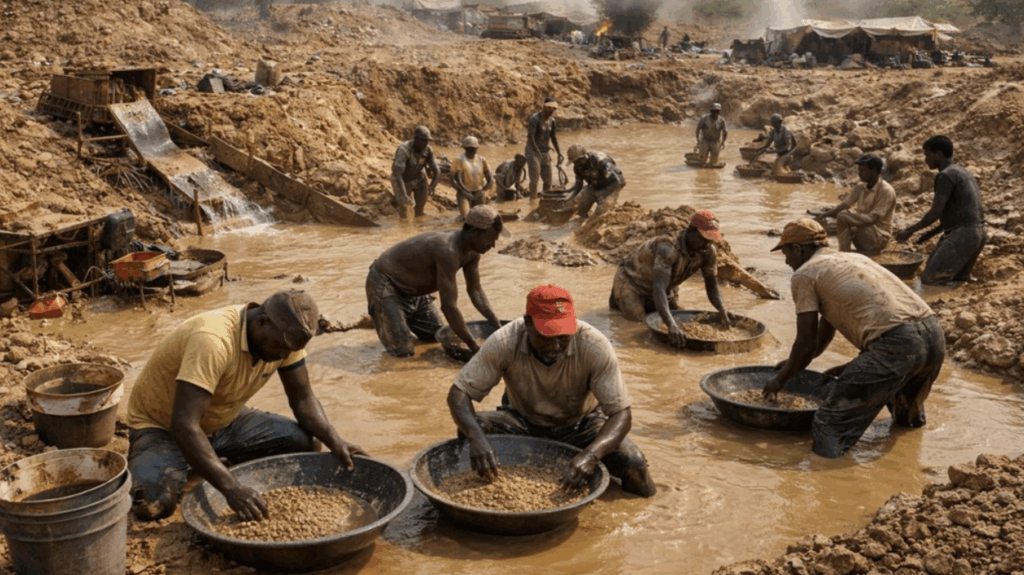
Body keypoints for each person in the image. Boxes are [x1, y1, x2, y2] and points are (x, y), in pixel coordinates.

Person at [126, 290, 367, 521]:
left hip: (223, 419)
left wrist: (336, 441)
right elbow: (183, 425)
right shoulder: (213, 341)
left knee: (308, 443)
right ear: (262, 322)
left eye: (291, 350)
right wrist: (232, 488)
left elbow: (303, 399)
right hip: (163, 426)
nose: (284, 355)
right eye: (281, 347)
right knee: (152, 505)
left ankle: (206, 458)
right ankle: (194, 459)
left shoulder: (286, 339)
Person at [446, 285, 657, 497]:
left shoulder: (594, 345)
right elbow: (458, 394)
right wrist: (477, 440)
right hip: (523, 422)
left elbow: (622, 414)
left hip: (581, 426)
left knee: (635, 464)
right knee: (473, 429)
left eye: (563, 337)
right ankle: (475, 491)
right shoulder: (504, 342)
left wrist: (591, 456)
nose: (555, 346)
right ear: (527, 323)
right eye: (546, 336)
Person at [763, 219, 945, 458]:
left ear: (798, 249)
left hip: (897, 345)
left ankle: (825, 476)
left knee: (829, 424)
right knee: (906, 418)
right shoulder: (854, 259)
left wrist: (780, 379)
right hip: (933, 336)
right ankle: (906, 467)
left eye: (786, 254)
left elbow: (806, 343)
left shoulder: (805, 274)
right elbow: (823, 334)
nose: (787, 262)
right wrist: (794, 365)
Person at [365, 205, 508, 358]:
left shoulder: (473, 252)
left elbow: (475, 291)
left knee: (435, 337)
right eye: (489, 240)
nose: (492, 246)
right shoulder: (447, 250)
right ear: (474, 232)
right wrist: (474, 347)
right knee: (403, 353)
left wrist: (498, 328)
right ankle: (389, 318)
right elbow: (449, 307)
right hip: (387, 283)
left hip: (415, 291)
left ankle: (396, 322)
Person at [610, 211, 730, 348]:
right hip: (632, 282)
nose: (707, 244)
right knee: (638, 323)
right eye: (704, 238)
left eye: (711, 239)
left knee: (680, 318)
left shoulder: (708, 251)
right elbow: (659, 288)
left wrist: (722, 310)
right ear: (691, 231)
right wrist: (671, 326)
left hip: (666, 287)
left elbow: (712, 285)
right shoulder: (668, 247)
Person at [894, 135, 987, 285]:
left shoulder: (945, 175)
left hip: (965, 234)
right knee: (956, 278)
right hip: (979, 233)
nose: (926, 160)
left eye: (928, 155)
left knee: (929, 279)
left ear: (939, 154)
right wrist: (929, 234)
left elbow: (935, 213)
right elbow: (956, 211)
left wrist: (909, 231)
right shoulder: (962, 172)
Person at [814, 153, 896, 254]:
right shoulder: (860, 187)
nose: (859, 173)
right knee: (841, 218)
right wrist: (825, 215)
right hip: (864, 231)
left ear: (874, 171)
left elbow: (874, 218)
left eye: (863, 170)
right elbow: (845, 204)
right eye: (859, 170)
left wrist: (848, 218)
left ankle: (845, 253)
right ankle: (844, 251)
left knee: (843, 217)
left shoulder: (885, 190)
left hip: (879, 237)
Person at [391, 125, 440, 218]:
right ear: (415, 138)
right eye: (423, 140)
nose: (425, 143)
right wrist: (404, 195)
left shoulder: (428, 150)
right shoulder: (404, 150)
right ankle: (397, 201)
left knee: (420, 208)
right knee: (405, 211)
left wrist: (432, 186)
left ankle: (418, 217)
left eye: (427, 141)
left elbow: (437, 170)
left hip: (418, 177)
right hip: (402, 179)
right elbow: (398, 175)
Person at [565, 144, 625, 219]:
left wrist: (602, 193)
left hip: (611, 185)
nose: (576, 164)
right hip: (595, 185)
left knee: (601, 212)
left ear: (584, 157)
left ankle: (606, 209)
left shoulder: (600, 161)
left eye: (577, 161)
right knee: (580, 206)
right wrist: (570, 197)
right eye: (574, 162)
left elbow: (617, 181)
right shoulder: (578, 167)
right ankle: (583, 222)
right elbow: (578, 185)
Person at [525, 97, 563, 200]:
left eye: (554, 108)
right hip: (533, 151)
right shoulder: (535, 119)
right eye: (550, 108)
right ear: (544, 107)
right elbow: (531, 137)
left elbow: (554, 138)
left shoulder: (552, 121)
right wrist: (537, 151)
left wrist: (559, 153)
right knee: (534, 180)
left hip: (545, 151)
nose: (552, 111)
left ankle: (546, 200)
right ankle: (533, 199)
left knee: (548, 180)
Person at [451, 136, 493, 218]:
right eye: (468, 148)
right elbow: (453, 180)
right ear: (464, 148)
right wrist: (463, 191)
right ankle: (461, 217)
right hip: (463, 193)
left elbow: (490, 178)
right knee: (466, 217)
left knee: (481, 217)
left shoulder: (482, 160)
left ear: (477, 148)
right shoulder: (458, 160)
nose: (471, 151)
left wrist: (484, 190)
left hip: (478, 192)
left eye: (473, 148)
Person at [695, 103, 728, 167]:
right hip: (705, 141)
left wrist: (723, 142)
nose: (715, 113)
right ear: (710, 111)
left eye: (717, 111)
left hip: (715, 142)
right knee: (702, 161)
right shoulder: (704, 118)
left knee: (713, 163)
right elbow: (698, 129)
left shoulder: (721, 120)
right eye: (713, 111)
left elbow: (725, 132)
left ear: (719, 112)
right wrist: (698, 140)